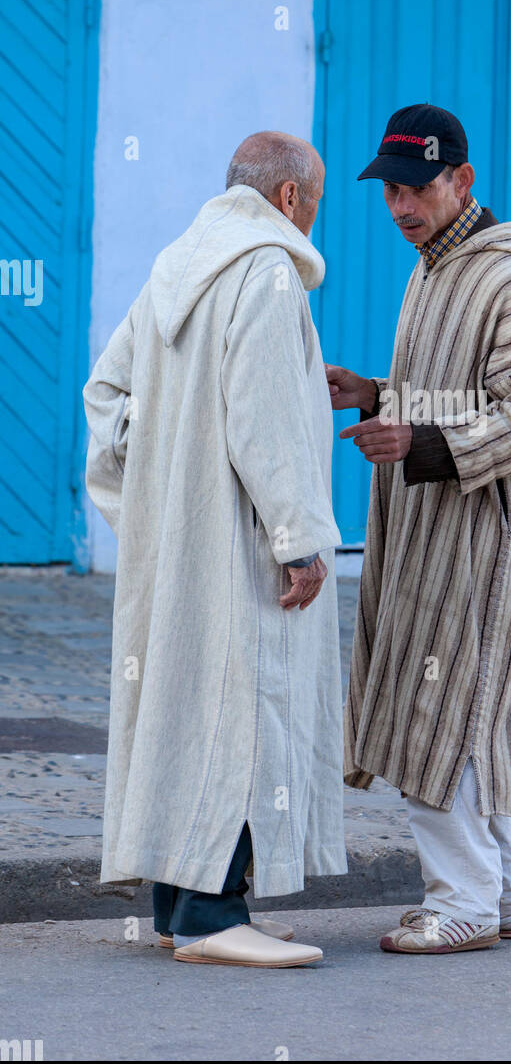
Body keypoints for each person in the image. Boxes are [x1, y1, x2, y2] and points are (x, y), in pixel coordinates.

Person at [83, 132, 346, 968]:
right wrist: (299, 540)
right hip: (241, 542)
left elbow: (106, 393)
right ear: (292, 198)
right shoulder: (266, 272)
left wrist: (157, 500)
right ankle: (210, 916)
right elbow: (266, 424)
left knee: (183, 711)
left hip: (181, 544)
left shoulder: (176, 265)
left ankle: (178, 907)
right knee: (242, 713)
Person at [327, 103, 511, 954]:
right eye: (391, 191)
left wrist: (420, 441)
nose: (401, 207)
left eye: (418, 188)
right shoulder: (435, 267)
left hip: (488, 536)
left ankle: (462, 899)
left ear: (462, 180)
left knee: (445, 706)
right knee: (467, 710)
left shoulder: (507, 277)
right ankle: (503, 894)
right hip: (434, 528)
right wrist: (373, 393)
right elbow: (445, 389)